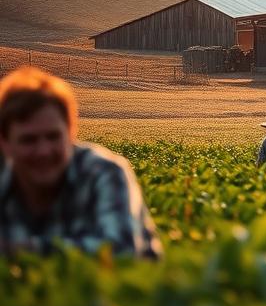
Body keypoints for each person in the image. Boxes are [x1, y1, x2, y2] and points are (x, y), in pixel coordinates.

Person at [0, 66, 161, 258]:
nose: (43, 151)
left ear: (71, 133)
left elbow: (121, 251)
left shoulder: (103, 172)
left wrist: (23, 251)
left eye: (53, 137)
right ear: (5, 143)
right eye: (29, 140)